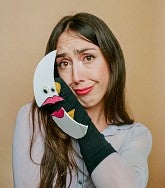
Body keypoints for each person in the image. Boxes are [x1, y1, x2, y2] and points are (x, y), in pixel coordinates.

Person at [12, 12, 152, 188]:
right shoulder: (33, 118)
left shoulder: (135, 134)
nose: (76, 77)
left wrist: (81, 124)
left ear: (112, 61)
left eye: (88, 57)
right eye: (64, 63)